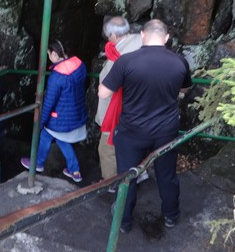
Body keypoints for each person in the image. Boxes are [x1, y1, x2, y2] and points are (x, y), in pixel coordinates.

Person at [98, 19, 192, 233]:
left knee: (127, 176)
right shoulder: (180, 62)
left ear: (142, 35)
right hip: (166, 130)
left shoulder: (126, 61)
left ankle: (123, 221)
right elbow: (185, 89)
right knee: (167, 174)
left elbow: (103, 93)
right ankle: (171, 215)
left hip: (132, 130)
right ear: (166, 38)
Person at [21, 39, 88, 183]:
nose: (48, 57)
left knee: (46, 134)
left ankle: (38, 163)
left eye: (49, 54)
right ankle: (74, 171)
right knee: (61, 140)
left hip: (60, 118)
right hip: (76, 112)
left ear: (55, 54)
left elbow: (49, 103)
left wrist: (41, 122)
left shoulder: (56, 77)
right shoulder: (80, 65)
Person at [95, 16, 145, 191]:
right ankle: (139, 173)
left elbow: (107, 88)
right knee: (131, 146)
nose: (108, 39)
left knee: (107, 148)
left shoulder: (121, 56)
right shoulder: (140, 43)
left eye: (109, 36)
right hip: (137, 109)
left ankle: (112, 183)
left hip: (117, 110)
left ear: (114, 35)